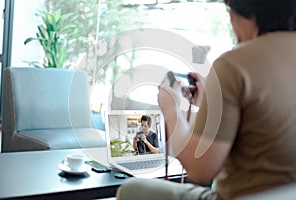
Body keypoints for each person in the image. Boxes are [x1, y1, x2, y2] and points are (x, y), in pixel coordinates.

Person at [116, 0, 296, 199]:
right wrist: (212, 99)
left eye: (231, 13)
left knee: (132, 190)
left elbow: (200, 170)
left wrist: (172, 109)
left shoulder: (234, 64)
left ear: (245, 13)